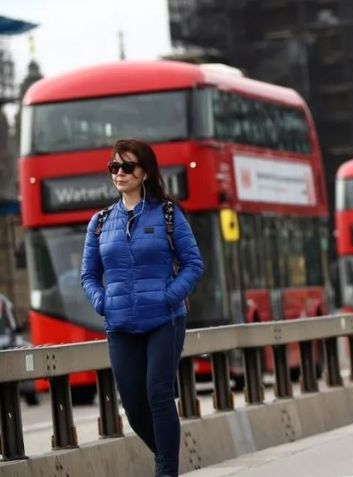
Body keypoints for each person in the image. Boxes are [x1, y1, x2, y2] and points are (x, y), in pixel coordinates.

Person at [81, 139, 203, 477]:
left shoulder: (167, 213)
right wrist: (102, 302)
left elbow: (194, 264)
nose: (119, 173)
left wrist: (168, 296)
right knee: (134, 407)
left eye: (127, 167)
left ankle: (166, 471)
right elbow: (89, 274)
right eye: (114, 167)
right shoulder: (101, 222)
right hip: (119, 324)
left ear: (144, 172)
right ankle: (167, 458)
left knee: (158, 395)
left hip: (164, 320)